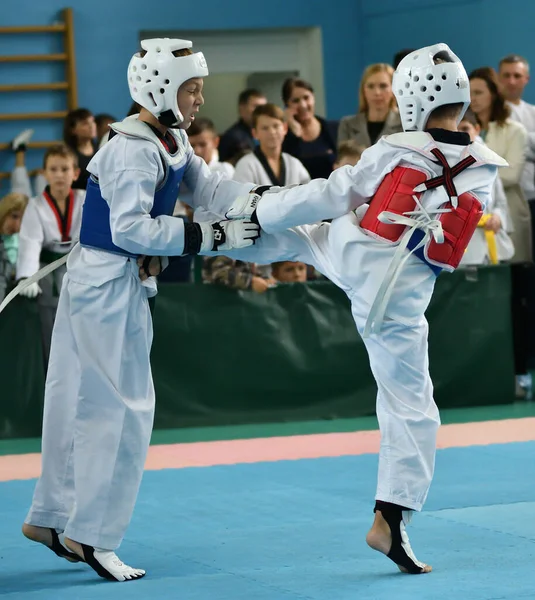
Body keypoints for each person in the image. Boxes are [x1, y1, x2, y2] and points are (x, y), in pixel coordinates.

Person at [198, 43, 506, 574]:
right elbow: (466, 213)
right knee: (411, 406)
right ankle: (390, 519)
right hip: (397, 292)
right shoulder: (482, 166)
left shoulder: (395, 148)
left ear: (408, 99)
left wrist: (258, 205)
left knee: (300, 229)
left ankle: (204, 231)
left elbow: (336, 192)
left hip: (353, 246)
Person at [21, 38, 261, 583]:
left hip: (99, 280)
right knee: (122, 410)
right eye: (191, 89)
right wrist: (209, 235)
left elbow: (208, 187)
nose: (199, 100)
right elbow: (131, 228)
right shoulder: (132, 147)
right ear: (159, 89)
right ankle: (94, 534)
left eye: (199, 89)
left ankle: (51, 516)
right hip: (107, 284)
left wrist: (265, 203)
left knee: (72, 396)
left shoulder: (167, 137)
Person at [16, 144, 85, 365]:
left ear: (75, 173)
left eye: (64, 169)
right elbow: (30, 242)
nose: (59, 175)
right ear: (45, 173)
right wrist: (26, 277)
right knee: (51, 333)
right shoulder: (35, 206)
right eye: (53, 169)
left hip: (80, 271)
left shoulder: (86, 200)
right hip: (47, 275)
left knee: (83, 333)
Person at [234, 103, 310, 186]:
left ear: (285, 128)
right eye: (265, 128)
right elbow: (240, 197)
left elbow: (309, 193)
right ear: (255, 133)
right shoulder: (246, 165)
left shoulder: (294, 164)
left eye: (276, 126)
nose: (272, 132)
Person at [338, 64, 402, 148]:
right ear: (363, 90)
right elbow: (344, 159)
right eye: (371, 86)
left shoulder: (404, 124)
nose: (377, 92)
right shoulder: (347, 125)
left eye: (383, 86)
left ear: (394, 89)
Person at [218, 88, 267, 163]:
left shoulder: (267, 134)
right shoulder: (231, 137)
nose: (261, 111)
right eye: (256, 107)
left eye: (264, 107)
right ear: (242, 109)